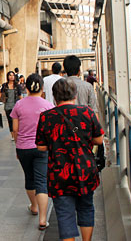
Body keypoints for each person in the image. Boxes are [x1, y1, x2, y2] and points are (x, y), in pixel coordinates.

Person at [36, 78, 104, 241]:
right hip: (85, 171)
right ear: (75, 95)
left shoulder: (46, 117)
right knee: (86, 208)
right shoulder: (86, 112)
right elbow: (99, 140)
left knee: (65, 214)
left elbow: (41, 147)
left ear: (54, 97)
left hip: (60, 173)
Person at [10, 74, 54, 231]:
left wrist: (17, 145)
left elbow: (15, 129)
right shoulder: (48, 106)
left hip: (23, 148)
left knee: (29, 178)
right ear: (42, 88)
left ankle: (34, 206)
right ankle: (42, 219)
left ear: (26, 88)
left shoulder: (19, 105)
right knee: (41, 181)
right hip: (42, 148)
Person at [0, 70, 22, 141]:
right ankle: (13, 135)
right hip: (8, 106)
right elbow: (0, 94)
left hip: (16, 106)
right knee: (10, 121)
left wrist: (23, 104)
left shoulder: (17, 85)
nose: (11, 77)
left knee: (18, 121)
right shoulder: (4, 85)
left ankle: (17, 134)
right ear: (7, 77)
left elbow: (20, 96)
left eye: (12, 75)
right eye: (10, 75)